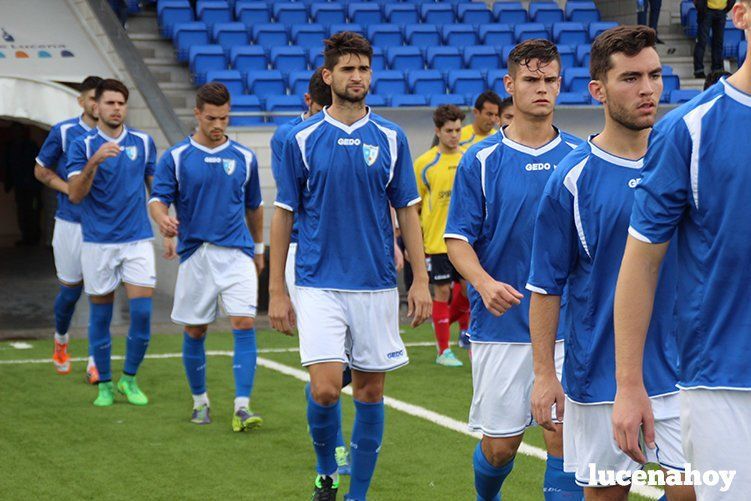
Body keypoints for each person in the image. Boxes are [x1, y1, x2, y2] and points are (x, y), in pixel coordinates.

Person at [526, 26, 694, 500]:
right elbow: (546, 284)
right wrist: (544, 374)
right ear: (597, 89)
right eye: (630, 78)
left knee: (696, 492)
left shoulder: (685, 160)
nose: (647, 89)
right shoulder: (571, 180)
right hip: (600, 376)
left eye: (655, 75)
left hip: (685, 370)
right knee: (606, 496)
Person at [268, 31, 432, 500]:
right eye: (347, 69)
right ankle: (326, 470)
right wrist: (277, 290)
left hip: (377, 284)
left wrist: (418, 280)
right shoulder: (300, 139)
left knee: (369, 395)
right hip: (319, 281)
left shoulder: (391, 137)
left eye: (363, 68)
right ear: (328, 75)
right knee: (323, 390)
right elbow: (283, 215)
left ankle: (356, 495)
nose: (356, 76)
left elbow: (407, 212)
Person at [613, 2, 751, 498]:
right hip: (724, 384)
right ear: (740, 14)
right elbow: (641, 263)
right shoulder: (688, 130)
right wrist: (629, 384)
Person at [444, 39, 583, 501]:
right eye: (531, 80)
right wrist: (482, 283)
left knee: (563, 438)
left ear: (560, 84)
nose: (542, 89)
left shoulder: (583, 157)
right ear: (510, 85)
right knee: (501, 448)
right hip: (502, 327)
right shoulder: (481, 160)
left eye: (550, 80)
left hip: (569, 326)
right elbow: (457, 240)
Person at [149, 83, 265, 430]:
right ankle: (200, 402)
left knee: (244, 322)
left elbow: (255, 207)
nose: (219, 124)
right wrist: (162, 219)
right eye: (212, 118)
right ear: (197, 114)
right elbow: (157, 199)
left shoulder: (244, 157)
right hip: (197, 254)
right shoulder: (177, 157)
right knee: (196, 330)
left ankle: (242, 406)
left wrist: (259, 250)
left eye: (225, 118)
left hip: (237, 254)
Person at [270, 68, 351, 472]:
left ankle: (323, 414)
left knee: (349, 368)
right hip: (307, 252)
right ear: (311, 103)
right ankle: (334, 450)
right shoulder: (288, 138)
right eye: (321, 109)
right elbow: (287, 204)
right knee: (326, 366)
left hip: (353, 257)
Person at [67, 79, 156, 407]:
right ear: (96, 107)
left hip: (137, 241)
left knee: (143, 314)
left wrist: (167, 223)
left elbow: (155, 189)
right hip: (97, 243)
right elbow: (75, 195)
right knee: (101, 317)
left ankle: (128, 379)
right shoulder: (82, 144)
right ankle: (104, 383)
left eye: (121, 103)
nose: (116, 109)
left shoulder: (144, 142)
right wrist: (94, 162)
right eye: (110, 103)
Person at [34, 75, 102, 383]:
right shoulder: (64, 131)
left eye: (100, 99)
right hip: (70, 224)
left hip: (104, 228)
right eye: (91, 98)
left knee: (101, 294)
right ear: (81, 101)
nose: (96, 104)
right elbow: (40, 169)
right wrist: (69, 188)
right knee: (70, 292)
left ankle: (95, 360)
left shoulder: (118, 137)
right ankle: (61, 339)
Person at [413, 104, 469, 367]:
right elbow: (414, 205)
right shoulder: (425, 163)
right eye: (449, 130)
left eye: (458, 130)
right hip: (437, 242)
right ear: (438, 131)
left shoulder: (469, 158)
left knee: (470, 290)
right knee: (442, 292)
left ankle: (466, 336)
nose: (454, 135)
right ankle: (443, 350)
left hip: (467, 241)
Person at [4, 123, 41, 246]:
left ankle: (34, 236)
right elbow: (8, 165)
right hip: (20, 184)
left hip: (32, 185)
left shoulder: (30, 146)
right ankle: (26, 236)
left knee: (33, 210)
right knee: (22, 210)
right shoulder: (11, 146)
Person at [693, 0, 737, 78]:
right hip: (706, 11)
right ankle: (698, 70)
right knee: (702, 42)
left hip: (721, 11)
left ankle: (716, 70)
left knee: (718, 42)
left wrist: (727, 7)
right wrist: (701, 7)